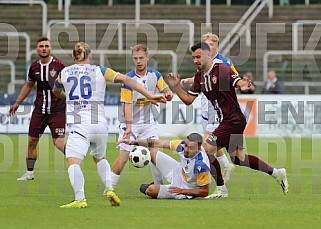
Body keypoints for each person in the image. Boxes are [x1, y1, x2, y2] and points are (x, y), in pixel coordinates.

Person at [52, 42, 166, 208]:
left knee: (73, 162)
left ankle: (80, 198)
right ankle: (109, 188)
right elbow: (127, 80)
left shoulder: (64, 72)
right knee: (99, 158)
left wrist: (67, 96)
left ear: (72, 57)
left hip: (80, 125)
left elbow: (55, 90)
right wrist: (150, 94)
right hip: (100, 126)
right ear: (90, 56)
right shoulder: (101, 70)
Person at [167, 42, 289, 195]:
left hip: (232, 120)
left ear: (207, 55)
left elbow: (237, 81)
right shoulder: (200, 77)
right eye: (193, 58)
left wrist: (243, 84)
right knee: (239, 159)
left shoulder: (222, 69)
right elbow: (188, 100)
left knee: (205, 151)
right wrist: (176, 87)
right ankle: (277, 173)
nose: (195, 60)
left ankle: (221, 188)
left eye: (198, 57)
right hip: (229, 121)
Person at [112, 44, 177, 191]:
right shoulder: (128, 79)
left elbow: (166, 89)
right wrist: (129, 127)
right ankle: (109, 188)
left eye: (141, 58)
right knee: (124, 155)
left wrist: (169, 94)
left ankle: (159, 185)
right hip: (130, 123)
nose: (138, 61)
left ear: (147, 58)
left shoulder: (155, 75)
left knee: (155, 153)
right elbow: (127, 105)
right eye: (135, 58)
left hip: (148, 122)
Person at [181, 33, 237, 198]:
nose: (207, 48)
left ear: (217, 46)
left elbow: (235, 79)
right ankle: (226, 166)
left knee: (207, 149)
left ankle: (211, 184)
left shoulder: (225, 62)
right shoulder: (203, 62)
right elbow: (203, 79)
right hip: (207, 109)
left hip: (220, 112)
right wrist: (189, 80)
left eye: (210, 45)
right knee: (216, 148)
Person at [9, 37, 66, 181]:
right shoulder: (34, 67)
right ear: (37, 49)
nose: (44, 48)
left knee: (58, 143)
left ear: (50, 48)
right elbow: (28, 86)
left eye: (47, 46)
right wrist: (17, 102)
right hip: (39, 111)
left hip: (57, 111)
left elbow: (68, 86)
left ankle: (75, 162)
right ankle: (29, 174)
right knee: (31, 141)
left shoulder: (59, 66)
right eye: (41, 46)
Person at [118, 133, 211, 199]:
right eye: (186, 145)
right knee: (151, 152)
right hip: (178, 172)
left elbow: (204, 191)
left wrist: (182, 191)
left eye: (190, 148)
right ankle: (158, 183)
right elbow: (155, 143)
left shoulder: (201, 164)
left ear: (198, 149)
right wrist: (134, 142)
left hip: (186, 188)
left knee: (150, 190)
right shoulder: (181, 145)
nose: (186, 149)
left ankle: (156, 188)